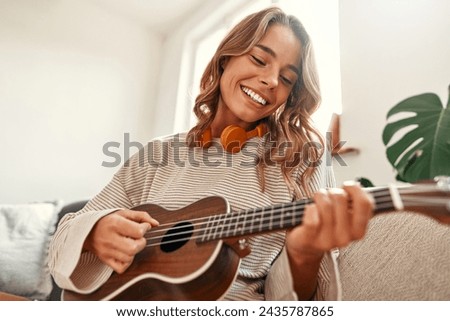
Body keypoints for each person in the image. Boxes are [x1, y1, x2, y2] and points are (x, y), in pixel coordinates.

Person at [49, 7, 373, 301]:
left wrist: (303, 255)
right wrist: (94, 232)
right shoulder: (157, 153)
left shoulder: (302, 160)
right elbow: (64, 236)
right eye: (260, 60)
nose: (271, 80)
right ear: (226, 58)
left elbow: (296, 303)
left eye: (287, 78)